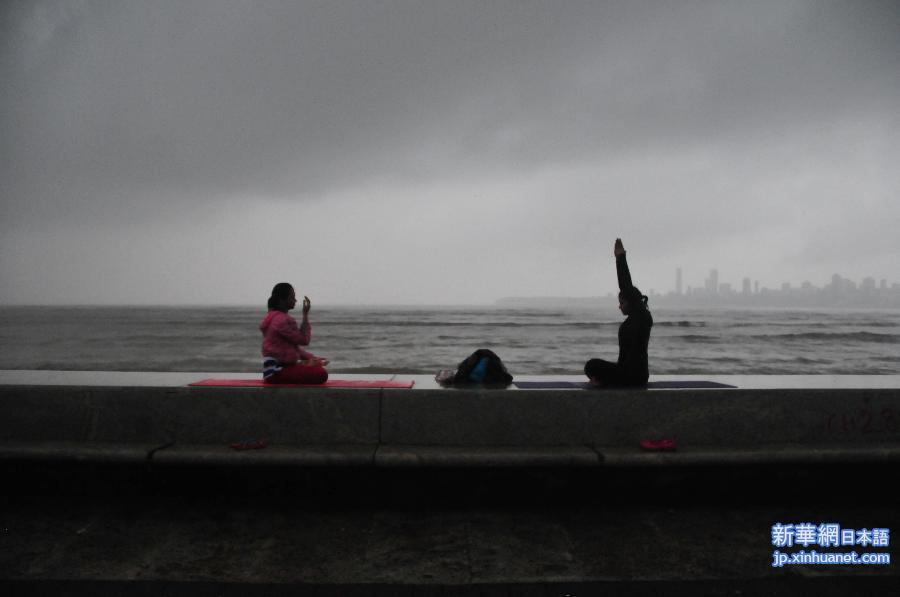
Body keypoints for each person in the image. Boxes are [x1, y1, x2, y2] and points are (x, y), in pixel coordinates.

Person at [584, 238, 653, 387]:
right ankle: (604, 381)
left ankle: (602, 382)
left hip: (633, 376)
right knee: (591, 366)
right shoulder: (637, 319)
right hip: (630, 373)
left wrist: (620, 258)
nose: (619, 306)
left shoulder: (641, 317)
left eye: (622, 303)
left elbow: (625, 285)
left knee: (591, 366)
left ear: (631, 302)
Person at [260, 283, 329, 384]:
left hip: (270, 371)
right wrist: (305, 315)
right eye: (292, 297)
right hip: (276, 372)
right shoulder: (283, 320)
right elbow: (304, 340)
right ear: (281, 300)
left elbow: (293, 348)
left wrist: (312, 358)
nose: (295, 300)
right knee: (321, 373)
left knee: (316, 368)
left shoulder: (273, 317)